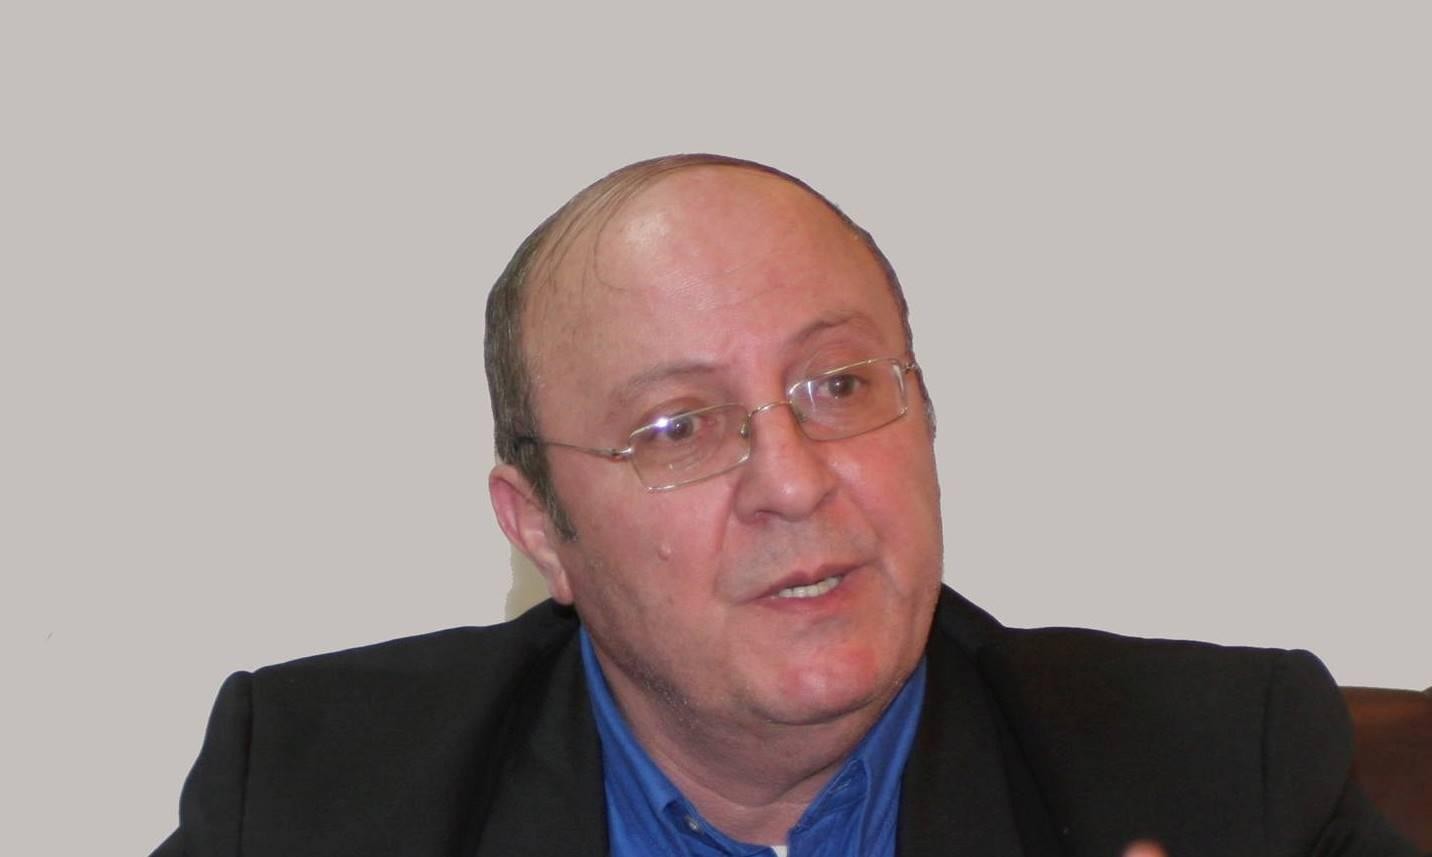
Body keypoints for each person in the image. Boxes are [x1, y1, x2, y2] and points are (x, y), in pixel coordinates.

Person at [152, 154, 1419, 856]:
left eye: (839, 384)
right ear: (540, 530)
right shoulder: (318, 796)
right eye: (678, 426)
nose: (795, 477)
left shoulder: (1220, 772)